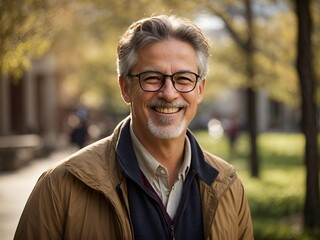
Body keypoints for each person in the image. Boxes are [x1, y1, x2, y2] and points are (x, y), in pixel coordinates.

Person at [14, 15, 253, 240]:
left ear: (200, 90)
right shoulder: (60, 187)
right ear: (125, 88)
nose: (169, 93)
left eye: (183, 79)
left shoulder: (228, 187)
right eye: (151, 78)